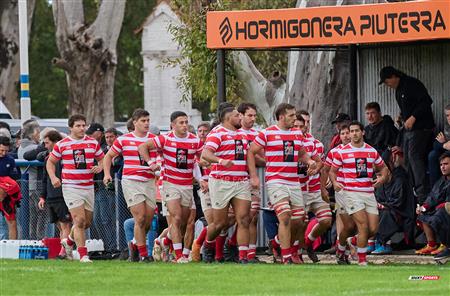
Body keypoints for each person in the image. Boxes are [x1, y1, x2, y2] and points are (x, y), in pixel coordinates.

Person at [248, 103, 320, 264]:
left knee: (299, 220)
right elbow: (251, 152)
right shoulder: (267, 133)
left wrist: (309, 161)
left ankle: (276, 243)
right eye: (291, 116)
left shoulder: (296, 134)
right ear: (281, 117)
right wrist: (254, 176)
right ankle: (286, 257)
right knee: (285, 216)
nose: (295, 119)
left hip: (294, 182)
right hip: (276, 181)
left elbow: (301, 153)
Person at [139, 111, 203, 263]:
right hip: (169, 183)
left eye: (186, 122)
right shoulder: (165, 139)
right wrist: (151, 163)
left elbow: (202, 157)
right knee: (176, 218)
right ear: (172, 125)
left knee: (185, 222)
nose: (185, 125)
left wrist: (207, 169)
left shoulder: (194, 140)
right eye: (181, 123)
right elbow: (142, 147)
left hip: (187, 184)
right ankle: (180, 256)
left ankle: (165, 241)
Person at [330, 121, 390, 266]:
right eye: (351, 131)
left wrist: (382, 178)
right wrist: (335, 182)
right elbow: (332, 171)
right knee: (362, 226)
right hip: (351, 193)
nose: (354, 134)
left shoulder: (371, 151)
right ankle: (362, 260)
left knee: (373, 229)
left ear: (362, 132)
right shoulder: (342, 152)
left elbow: (384, 169)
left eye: (357, 131)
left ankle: (351, 241)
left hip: (369, 193)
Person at [47, 114, 105, 263]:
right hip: (71, 186)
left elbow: (103, 158)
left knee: (86, 223)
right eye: (78, 126)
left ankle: (69, 241)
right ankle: (83, 255)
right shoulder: (62, 144)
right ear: (71, 127)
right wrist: (54, 177)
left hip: (88, 186)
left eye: (83, 125)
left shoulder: (92, 143)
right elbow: (50, 162)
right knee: (78, 221)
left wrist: (100, 167)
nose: (82, 128)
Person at [104, 109, 157, 262]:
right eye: (143, 121)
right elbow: (108, 157)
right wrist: (107, 174)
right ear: (135, 123)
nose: (146, 123)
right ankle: (144, 255)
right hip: (131, 181)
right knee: (139, 218)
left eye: (148, 120)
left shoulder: (154, 139)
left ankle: (134, 244)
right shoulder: (124, 140)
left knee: (147, 220)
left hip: (149, 181)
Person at [200, 105, 252, 263]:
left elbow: (248, 154)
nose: (240, 118)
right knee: (220, 223)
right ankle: (208, 246)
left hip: (241, 181)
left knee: (244, 218)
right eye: (237, 116)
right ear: (228, 118)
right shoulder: (217, 133)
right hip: (221, 181)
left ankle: (242, 257)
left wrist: (255, 174)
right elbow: (205, 154)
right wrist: (221, 160)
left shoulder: (243, 134)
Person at [379, 66, 435, 203]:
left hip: (422, 128)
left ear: (393, 76)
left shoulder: (411, 84)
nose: (387, 85)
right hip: (409, 130)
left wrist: (413, 117)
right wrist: (402, 116)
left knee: (414, 156)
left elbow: (426, 101)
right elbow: (408, 107)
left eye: (387, 82)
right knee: (405, 158)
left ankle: (422, 194)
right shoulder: (398, 90)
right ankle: (411, 190)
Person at [294, 112, 329, 263]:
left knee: (326, 219)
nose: (303, 127)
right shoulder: (289, 142)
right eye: (299, 124)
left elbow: (321, 164)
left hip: (314, 188)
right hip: (298, 189)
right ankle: (295, 252)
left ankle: (308, 243)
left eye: (306, 123)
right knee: (300, 222)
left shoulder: (316, 143)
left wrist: (322, 186)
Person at [321, 125, 354, 262]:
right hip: (341, 189)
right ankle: (342, 249)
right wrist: (325, 184)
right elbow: (325, 169)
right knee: (342, 219)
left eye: (348, 133)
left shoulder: (362, 149)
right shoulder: (335, 151)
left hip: (358, 189)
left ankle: (347, 248)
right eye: (343, 133)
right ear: (339, 136)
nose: (346, 136)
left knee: (354, 222)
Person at [37, 130, 72, 259]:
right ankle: (63, 250)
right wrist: (42, 196)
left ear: (56, 142)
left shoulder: (65, 157)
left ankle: (64, 251)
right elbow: (45, 179)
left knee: (65, 224)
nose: (45, 146)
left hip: (63, 195)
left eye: (47, 143)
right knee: (59, 225)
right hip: (52, 197)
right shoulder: (48, 158)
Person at [373, 150, 415, 255]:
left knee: (386, 213)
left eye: (380, 174)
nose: (378, 177)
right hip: (387, 209)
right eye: (377, 175)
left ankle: (384, 244)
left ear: (388, 170)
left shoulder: (400, 180)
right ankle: (372, 243)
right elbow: (377, 199)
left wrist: (383, 206)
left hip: (402, 213)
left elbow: (399, 202)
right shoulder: (381, 184)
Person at [237, 102, 262, 262]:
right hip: (237, 181)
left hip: (252, 181)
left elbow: (263, 158)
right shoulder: (235, 134)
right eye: (249, 115)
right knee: (236, 219)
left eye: (254, 115)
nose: (253, 118)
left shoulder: (258, 135)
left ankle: (250, 255)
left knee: (253, 216)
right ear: (240, 115)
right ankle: (225, 248)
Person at [416, 152, 450, 257]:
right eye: (441, 165)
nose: (443, 167)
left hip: (445, 210)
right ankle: (431, 244)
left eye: (446, 164)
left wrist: (442, 206)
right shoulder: (441, 181)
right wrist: (423, 207)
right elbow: (432, 197)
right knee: (423, 215)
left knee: (440, 213)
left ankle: (446, 244)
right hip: (440, 209)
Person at [18, 120, 44, 239]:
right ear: (34, 133)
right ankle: (44, 241)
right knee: (43, 217)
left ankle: (32, 240)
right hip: (37, 186)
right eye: (38, 133)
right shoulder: (34, 147)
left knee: (32, 218)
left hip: (27, 187)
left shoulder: (20, 147)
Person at [428, 103, 450, 186]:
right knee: (433, 155)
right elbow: (436, 144)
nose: (449, 118)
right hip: (447, 151)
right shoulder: (446, 127)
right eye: (447, 115)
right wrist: (444, 145)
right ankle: (435, 189)